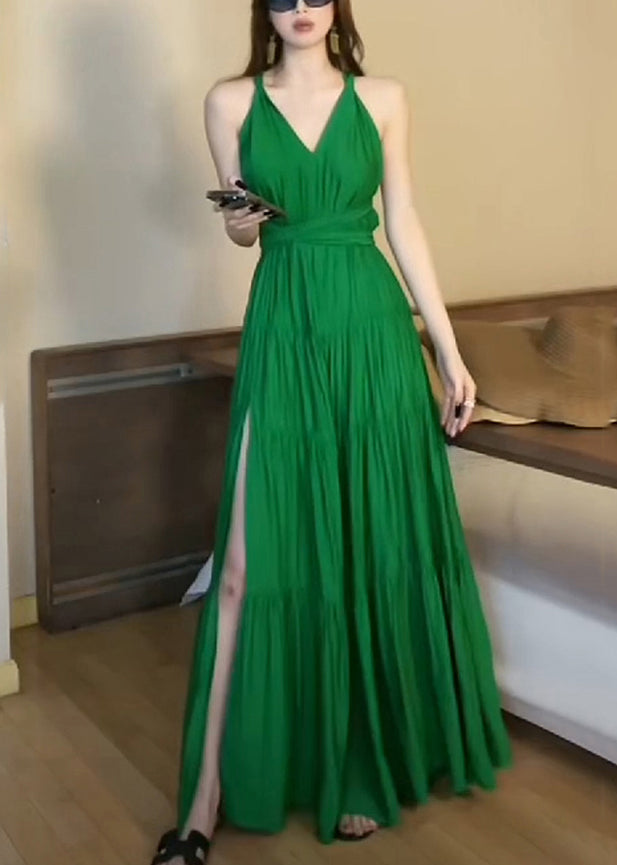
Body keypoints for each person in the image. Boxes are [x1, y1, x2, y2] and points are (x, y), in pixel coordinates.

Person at [152, 1, 512, 862]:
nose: (301, 9)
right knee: (241, 569)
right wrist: (242, 220)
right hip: (285, 326)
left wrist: (447, 350)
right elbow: (240, 229)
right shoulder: (230, 102)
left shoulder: (382, 98)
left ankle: (360, 765)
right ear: (264, 8)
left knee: (367, 548)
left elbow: (403, 222)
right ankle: (201, 799)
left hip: (371, 329)